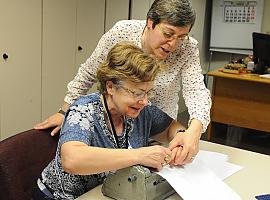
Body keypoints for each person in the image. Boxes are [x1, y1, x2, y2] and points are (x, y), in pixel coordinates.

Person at [34, 0, 211, 165]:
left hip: (154, 125)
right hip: (120, 119)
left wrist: (191, 134)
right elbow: (89, 71)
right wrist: (65, 110)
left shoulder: (186, 48)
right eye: (168, 34)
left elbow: (196, 91)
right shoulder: (122, 32)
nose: (173, 44)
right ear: (150, 22)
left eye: (181, 37)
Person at [32, 42, 194, 200]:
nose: (144, 101)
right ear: (110, 87)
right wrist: (139, 155)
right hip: (61, 196)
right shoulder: (83, 110)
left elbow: (169, 128)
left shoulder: (142, 109)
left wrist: (180, 137)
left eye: (147, 93)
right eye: (137, 93)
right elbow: (72, 159)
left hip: (107, 191)